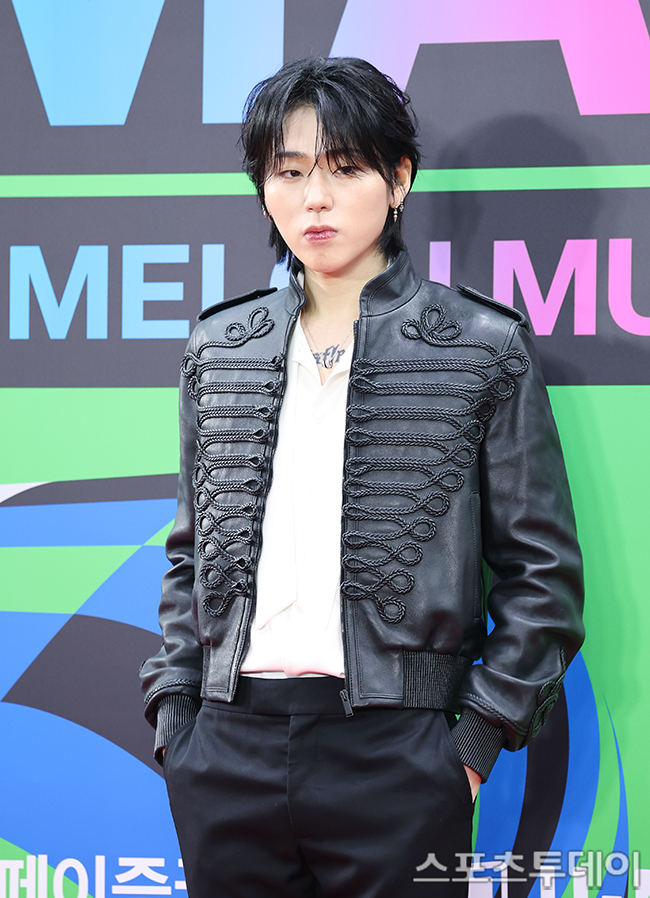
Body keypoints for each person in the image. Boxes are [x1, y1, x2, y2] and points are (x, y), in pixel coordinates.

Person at [140, 56, 584, 898]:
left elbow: (542, 577)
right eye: (289, 171)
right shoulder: (220, 347)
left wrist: (468, 750)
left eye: (344, 169)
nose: (315, 198)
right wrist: (178, 718)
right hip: (224, 752)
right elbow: (189, 558)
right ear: (264, 188)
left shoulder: (481, 347)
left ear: (398, 180)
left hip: (399, 755)